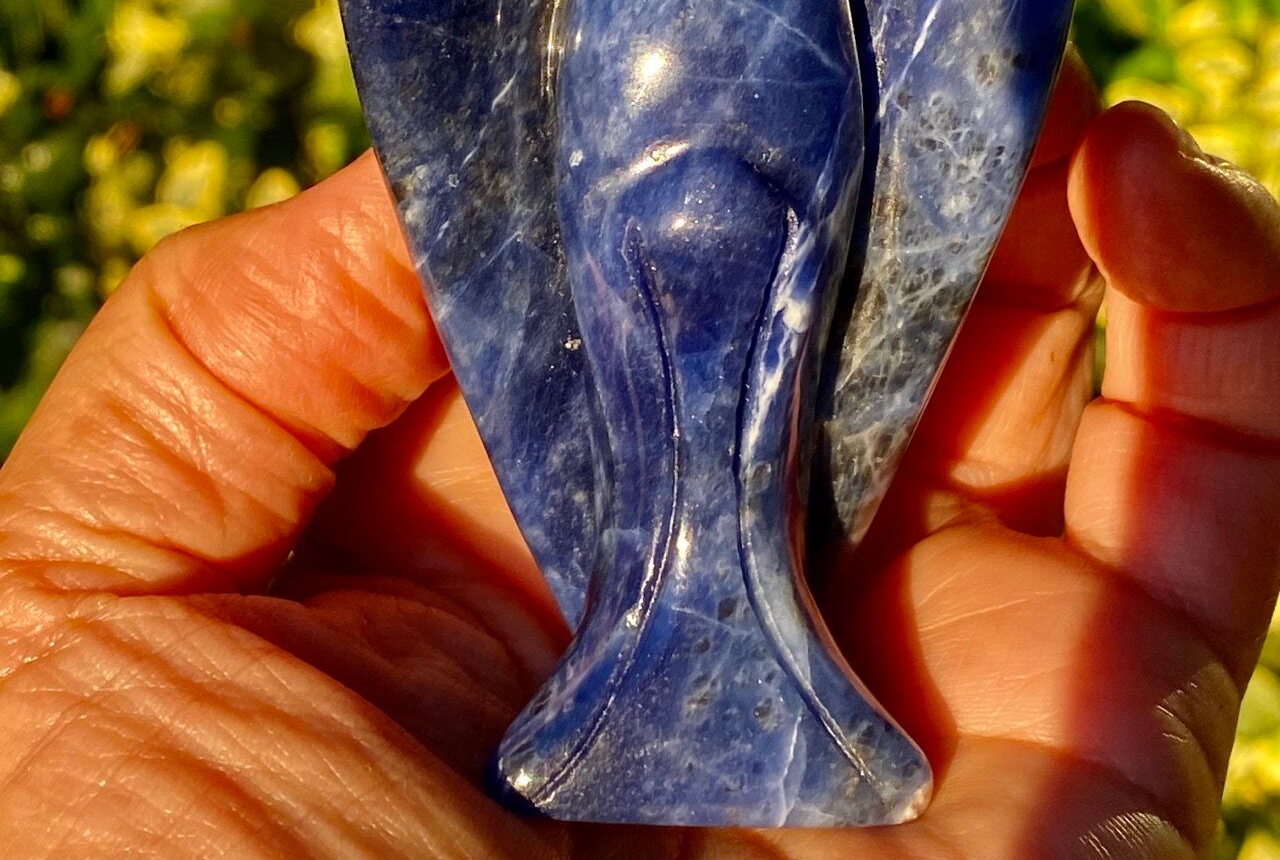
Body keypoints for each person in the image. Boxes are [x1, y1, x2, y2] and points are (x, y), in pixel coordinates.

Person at [0, 52, 1276, 858]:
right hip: (639, 258)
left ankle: (758, 663)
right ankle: (658, 662)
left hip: (778, 257)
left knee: (750, 472)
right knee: (670, 475)